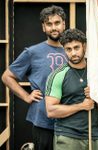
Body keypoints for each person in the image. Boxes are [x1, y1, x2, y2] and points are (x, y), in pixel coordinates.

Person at [1, 5, 67, 150]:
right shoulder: (32, 52)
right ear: (43, 27)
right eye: (49, 24)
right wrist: (26, 96)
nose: (53, 27)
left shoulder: (73, 51)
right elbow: (7, 76)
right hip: (43, 120)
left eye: (57, 23)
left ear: (64, 24)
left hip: (69, 121)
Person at [45, 28, 98, 150]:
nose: (73, 53)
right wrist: (81, 106)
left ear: (84, 47)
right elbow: (51, 111)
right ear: (64, 50)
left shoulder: (96, 72)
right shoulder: (57, 75)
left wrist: (97, 95)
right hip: (68, 136)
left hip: (94, 134)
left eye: (77, 48)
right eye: (68, 49)